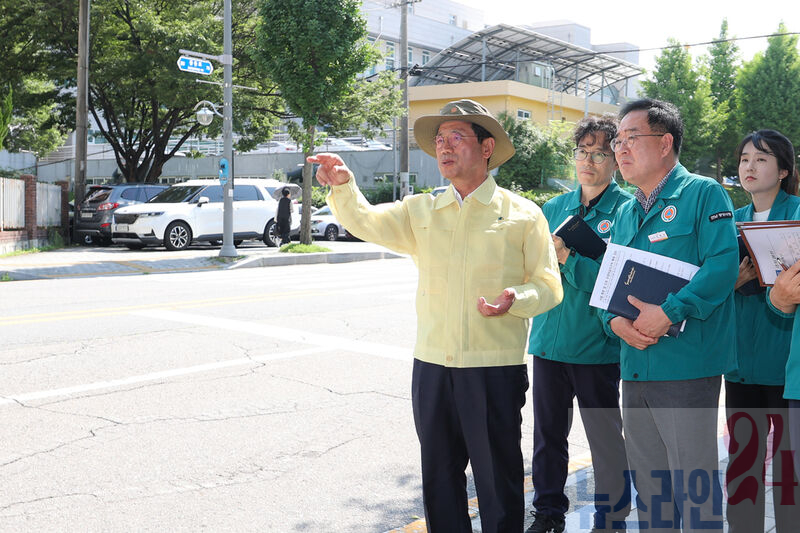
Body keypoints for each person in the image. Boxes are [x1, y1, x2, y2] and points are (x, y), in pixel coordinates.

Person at [308, 99, 563, 533]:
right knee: (440, 481)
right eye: (440, 139)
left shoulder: (523, 214)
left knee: (498, 482)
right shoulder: (420, 210)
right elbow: (366, 221)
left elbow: (549, 285)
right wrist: (344, 186)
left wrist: (515, 298)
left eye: (456, 137)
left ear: (487, 148)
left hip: (494, 369)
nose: (444, 147)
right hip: (431, 367)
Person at [603, 98, 738, 532]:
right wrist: (614, 322)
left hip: (686, 368)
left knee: (694, 491)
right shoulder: (625, 210)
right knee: (652, 492)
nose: (621, 148)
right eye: (617, 141)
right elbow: (610, 282)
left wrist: (670, 311)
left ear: (664, 143)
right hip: (635, 367)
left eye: (631, 138)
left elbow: (722, 266)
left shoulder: (702, 193)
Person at [526, 115, 632, 533]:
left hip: (597, 346)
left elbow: (616, 282)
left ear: (616, 159)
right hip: (548, 343)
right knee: (547, 437)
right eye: (582, 152)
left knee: (605, 441)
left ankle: (612, 519)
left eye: (600, 153)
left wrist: (568, 257)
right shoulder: (553, 208)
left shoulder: (626, 211)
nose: (588, 161)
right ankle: (548, 513)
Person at [725, 130, 800, 533]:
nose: (749, 166)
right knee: (742, 464)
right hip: (740, 366)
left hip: (787, 368)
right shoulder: (728, 221)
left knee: (790, 473)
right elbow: (705, 285)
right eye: (744, 159)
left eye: (761, 158)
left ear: (784, 170)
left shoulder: (797, 215)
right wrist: (731, 283)